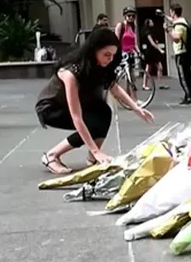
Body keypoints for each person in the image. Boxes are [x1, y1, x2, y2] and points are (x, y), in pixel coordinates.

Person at [36, 27, 154, 174]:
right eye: (106, 54)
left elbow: (114, 87)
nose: (110, 59)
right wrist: (96, 150)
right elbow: (77, 117)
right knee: (92, 122)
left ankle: (93, 159)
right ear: (94, 50)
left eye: (113, 55)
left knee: (104, 112)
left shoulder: (99, 66)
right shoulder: (70, 73)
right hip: (51, 108)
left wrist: (137, 109)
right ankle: (51, 156)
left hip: (74, 104)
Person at [166, 3, 191, 105]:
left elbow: (176, 38)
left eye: (170, 12)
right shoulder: (183, 21)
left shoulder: (179, 25)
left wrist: (167, 31)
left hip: (181, 53)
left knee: (183, 77)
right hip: (186, 53)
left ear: (173, 12)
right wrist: (164, 16)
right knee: (188, 76)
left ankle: (189, 97)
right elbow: (173, 20)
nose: (170, 14)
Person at [140, 18, 167, 90]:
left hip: (154, 52)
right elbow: (152, 43)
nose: (153, 23)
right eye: (151, 22)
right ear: (148, 23)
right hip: (150, 52)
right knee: (148, 68)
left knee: (160, 67)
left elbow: (154, 42)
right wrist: (160, 49)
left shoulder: (152, 31)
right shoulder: (147, 32)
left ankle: (160, 84)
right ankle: (144, 84)